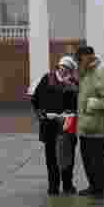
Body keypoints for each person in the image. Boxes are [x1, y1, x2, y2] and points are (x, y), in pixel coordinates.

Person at [30, 55, 80, 195]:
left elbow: (78, 104)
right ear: (58, 66)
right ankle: (53, 186)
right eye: (62, 67)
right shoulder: (47, 79)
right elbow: (36, 99)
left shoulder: (74, 83)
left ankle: (68, 185)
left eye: (67, 69)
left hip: (67, 125)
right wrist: (44, 115)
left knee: (67, 156)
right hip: (49, 125)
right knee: (51, 156)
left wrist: (68, 114)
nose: (63, 70)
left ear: (71, 70)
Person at [75, 45, 104, 199]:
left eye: (80, 60)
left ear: (86, 58)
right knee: (88, 159)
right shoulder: (86, 73)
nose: (79, 63)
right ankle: (94, 187)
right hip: (85, 125)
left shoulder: (100, 71)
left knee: (100, 159)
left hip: (98, 125)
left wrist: (92, 104)